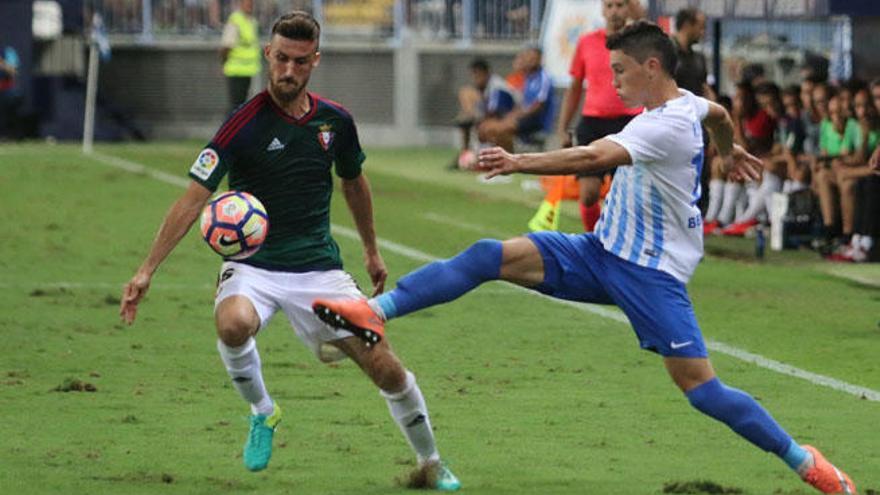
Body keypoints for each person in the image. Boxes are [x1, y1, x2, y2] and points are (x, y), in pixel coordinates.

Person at [312, 21, 857, 495]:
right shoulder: (691, 105)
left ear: (650, 66)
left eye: (619, 69)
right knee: (487, 256)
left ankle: (806, 462)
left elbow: (594, 154)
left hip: (651, 275)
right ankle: (373, 312)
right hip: (600, 253)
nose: (612, 79)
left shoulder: (660, 124)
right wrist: (726, 148)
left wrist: (518, 161)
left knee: (703, 390)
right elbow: (717, 115)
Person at [119, 11, 460, 490]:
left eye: (299, 62)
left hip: (319, 270)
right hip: (252, 267)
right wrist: (146, 270)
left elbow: (354, 184)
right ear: (267, 55)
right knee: (233, 323)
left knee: (386, 366)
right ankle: (263, 411)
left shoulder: (335, 121)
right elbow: (194, 197)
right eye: (280, 59)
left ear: (314, 61)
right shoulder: (241, 125)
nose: (288, 71)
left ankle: (431, 462)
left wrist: (371, 250)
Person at [556, 0, 642, 232]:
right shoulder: (587, 42)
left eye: (621, 5)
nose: (615, 11)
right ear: (603, 10)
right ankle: (593, 239)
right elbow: (574, 87)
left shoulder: (640, 43)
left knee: (624, 195)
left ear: (629, 9)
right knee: (588, 194)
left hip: (629, 123)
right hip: (593, 122)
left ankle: (618, 240)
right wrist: (563, 126)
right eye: (610, 6)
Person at [477, 46, 555, 153]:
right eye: (528, 58)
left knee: (501, 129)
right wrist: (512, 115)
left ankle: (507, 159)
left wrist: (517, 116)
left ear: (540, 59)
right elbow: (522, 103)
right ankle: (489, 157)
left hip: (536, 120)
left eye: (533, 58)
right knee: (486, 127)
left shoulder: (544, 78)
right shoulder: (528, 79)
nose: (530, 61)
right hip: (523, 117)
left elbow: (539, 105)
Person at [451, 58, 518, 169]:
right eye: (473, 75)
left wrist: (477, 118)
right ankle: (465, 154)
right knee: (466, 119)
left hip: (513, 119)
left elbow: (496, 113)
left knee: (488, 127)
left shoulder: (497, 87)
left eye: (477, 75)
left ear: (485, 73)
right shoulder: (484, 89)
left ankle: (490, 160)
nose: (475, 79)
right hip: (499, 119)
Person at [221, 0, 261, 112]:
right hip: (236, 70)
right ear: (241, 3)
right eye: (247, 2)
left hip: (249, 69)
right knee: (236, 105)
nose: (250, 5)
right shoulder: (235, 20)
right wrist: (224, 63)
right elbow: (226, 46)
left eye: (251, 3)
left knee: (242, 105)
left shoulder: (252, 21)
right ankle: (230, 128)